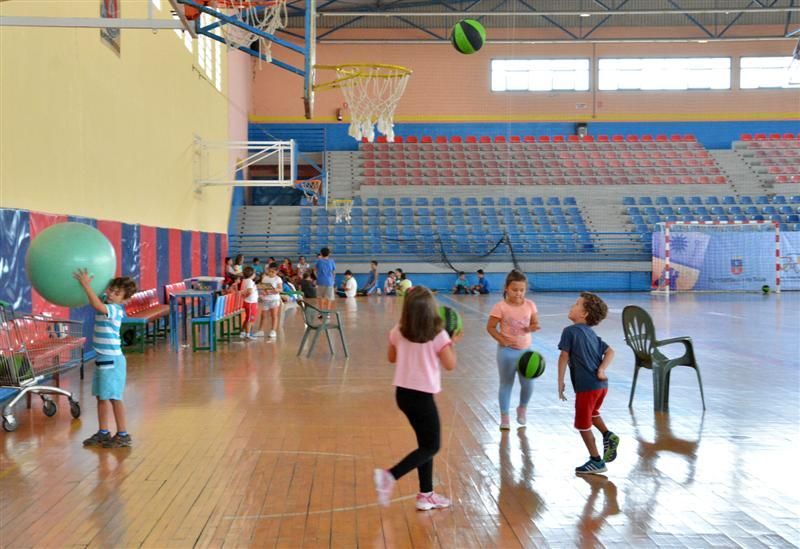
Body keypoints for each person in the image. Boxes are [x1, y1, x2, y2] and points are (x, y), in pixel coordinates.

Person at [374, 286, 459, 511]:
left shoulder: (398, 330)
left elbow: (391, 358)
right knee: (432, 446)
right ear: (432, 309)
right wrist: (451, 341)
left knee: (425, 444)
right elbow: (450, 365)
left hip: (403, 395)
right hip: (422, 397)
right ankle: (390, 475)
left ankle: (426, 495)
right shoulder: (438, 334)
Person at [73, 269, 137, 448]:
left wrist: (86, 285)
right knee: (101, 397)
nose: (110, 294)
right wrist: (94, 283)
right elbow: (98, 297)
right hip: (102, 359)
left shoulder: (115, 309)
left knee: (115, 398)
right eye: (110, 289)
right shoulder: (107, 300)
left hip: (113, 361)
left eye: (117, 293)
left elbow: (97, 305)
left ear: (124, 300)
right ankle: (103, 432)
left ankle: (123, 434)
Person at [557, 293, 619, 475]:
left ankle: (596, 461)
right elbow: (610, 352)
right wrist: (601, 370)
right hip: (601, 386)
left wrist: (560, 382)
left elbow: (563, 356)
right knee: (593, 414)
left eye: (577, 304)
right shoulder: (592, 334)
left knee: (583, 424)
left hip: (587, 388)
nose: (572, 305)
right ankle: (608, 435)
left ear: (584, 314)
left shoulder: (569, 331)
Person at [486, 270, 540, 430]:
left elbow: (535, 322)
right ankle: (505, 417)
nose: (518, 293)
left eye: (521, 290)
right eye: (514, 290)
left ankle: (522, 407)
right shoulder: (500, 307)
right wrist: (502, 339)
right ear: (506, 288)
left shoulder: (530, 305)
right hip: (506, 352)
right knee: (506, 384)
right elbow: (490, 327)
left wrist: (532, 327)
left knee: (528, 384)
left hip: (525, 352)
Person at [255, 262, 282, 339]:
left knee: (274, 315)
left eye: (273, 272)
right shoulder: (265, 278)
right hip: (266, 299)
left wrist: (274, 290)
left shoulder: (278, 279)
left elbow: (280, 289)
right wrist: (263, 291)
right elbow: (262, 287)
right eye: (269, 271)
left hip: (274, 299)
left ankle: (273, 330)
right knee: (263, 315)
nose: (271, 273)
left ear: (277, 272)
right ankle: (260, 330)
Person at [239, 266, 259, 340]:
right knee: (250, 319)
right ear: (252, 274)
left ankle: (243, 332)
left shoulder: (245, 280)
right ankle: (248, 334)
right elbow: (249, 291)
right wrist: (246, 296)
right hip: (251, 302)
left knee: (248, 318)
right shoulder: (250, 281)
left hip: (249, 302)